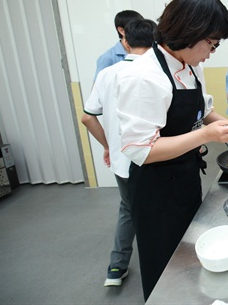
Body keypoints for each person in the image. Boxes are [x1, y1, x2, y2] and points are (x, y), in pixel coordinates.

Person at [115, 0, 228, 300]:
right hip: (154, 190)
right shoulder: (143, 76)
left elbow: (203, 110)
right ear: (191, 32)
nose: (213, 51)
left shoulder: (192, 66)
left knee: (191, 256)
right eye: (213, 43)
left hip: (185, 176)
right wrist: (206, 136)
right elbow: (141, 150)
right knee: (165, 268)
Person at [81, 18, 157, 287]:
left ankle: (117, 267)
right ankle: (165, 265)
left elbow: (88, 118)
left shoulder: (107, 73)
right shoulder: (156, 72)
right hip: (154, 158)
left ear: (125, 41)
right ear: (157, 41)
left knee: (128, 209)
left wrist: (107, 146)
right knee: (157, 212)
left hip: (122, 161)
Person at [94, 10, 144, 79]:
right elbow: (98, 87)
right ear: (121, 30)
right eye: (136, 27)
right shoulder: (108, 58)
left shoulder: (145, 50)